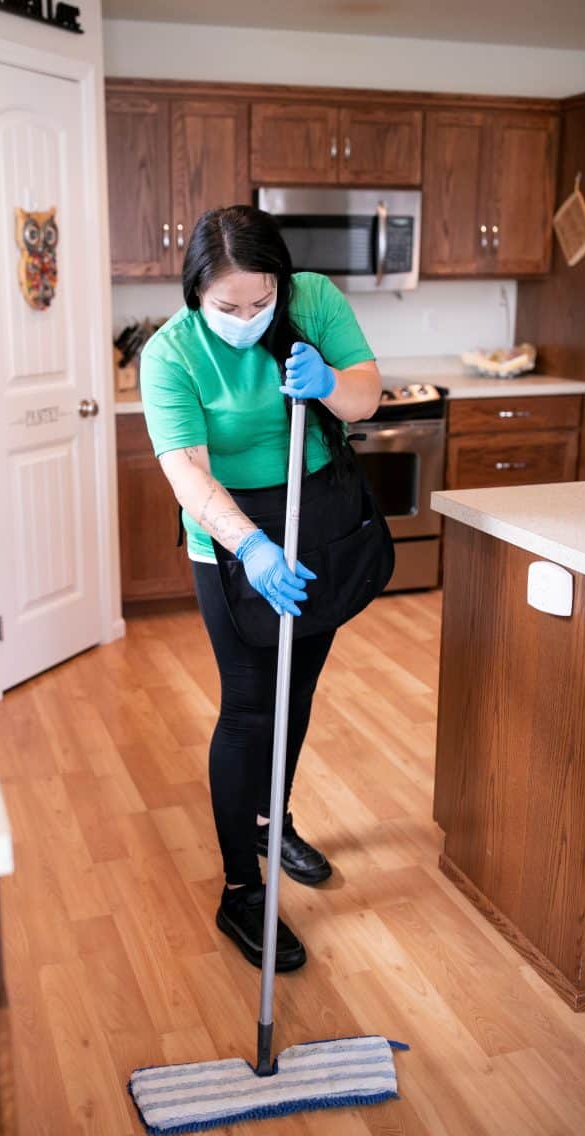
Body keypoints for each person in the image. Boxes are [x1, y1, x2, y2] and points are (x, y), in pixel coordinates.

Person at [140, 205, 382, 971]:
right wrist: (248, 546)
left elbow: (368, 398)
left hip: (316, 510)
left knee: (297, 688)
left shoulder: (313, 299)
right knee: (249, 706)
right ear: (195, 295)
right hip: (232, 529)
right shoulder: (170, 354)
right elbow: (186, 471)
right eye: (227, 307)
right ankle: (242, 888)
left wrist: (332, 382)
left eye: (260, 302)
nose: (247, 318)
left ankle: (271, 822)